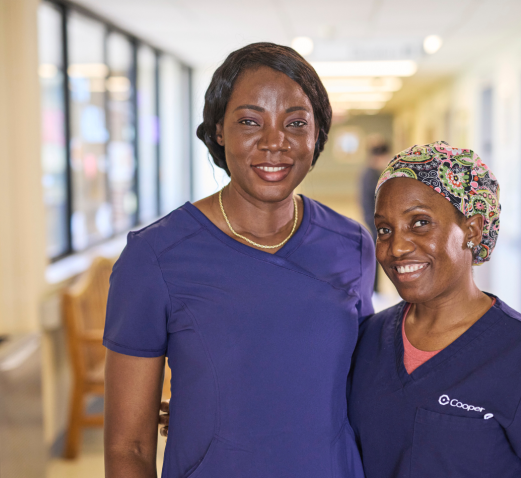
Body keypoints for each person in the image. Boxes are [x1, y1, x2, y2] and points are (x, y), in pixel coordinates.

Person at [103, 42, 374, 478]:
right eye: (250, 121)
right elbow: (128, 447)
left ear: (317, 133)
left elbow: (358, 386)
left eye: (296, 123)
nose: (274, 142)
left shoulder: (351, 243)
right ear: (218, 132)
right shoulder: (155, 258)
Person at [347, 141, 521, 478]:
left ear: (472, 229)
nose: (396, 246)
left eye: (420, 222)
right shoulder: (367, 339)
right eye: (384, 229)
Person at [359, 140, 391, 292]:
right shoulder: (370, 175)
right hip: (374, 223)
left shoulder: (375, 173)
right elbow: (368, 203)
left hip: (378, 224)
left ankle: (376, 289)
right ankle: (374, 290)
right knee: (375, 258)